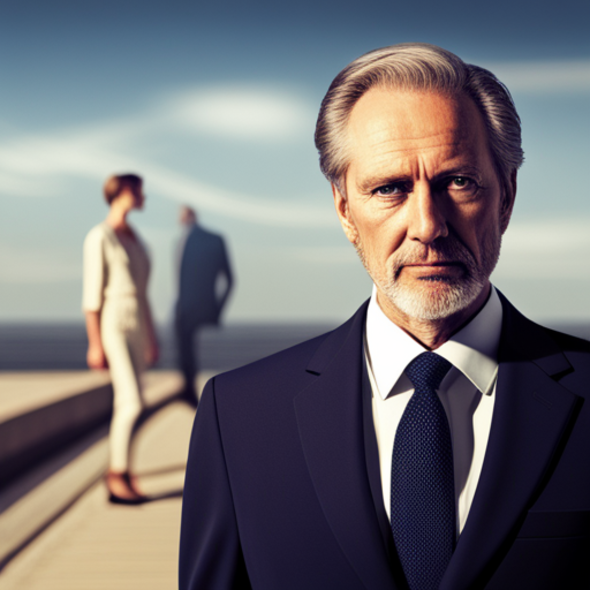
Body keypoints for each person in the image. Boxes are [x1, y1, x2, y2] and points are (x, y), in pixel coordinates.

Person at [179, 44, 590, 590]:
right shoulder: (239, 418)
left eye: (458, 182)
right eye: (389, 188)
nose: (427, 224)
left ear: (507, 196)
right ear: (345, 209)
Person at [83, 173, 159, 504]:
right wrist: (95, 343)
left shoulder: (135, 238)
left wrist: (151, 336)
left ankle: (126, 471)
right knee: (131, 401)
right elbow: (91, 297)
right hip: (113, 320)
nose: (143, 197)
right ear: (124, 192)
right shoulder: (99, 237)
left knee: (130, 402)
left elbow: (144, 294)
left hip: (136, 324)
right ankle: (115, 474)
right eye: (139, 191)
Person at [175, 205, 233, 407]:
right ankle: (188, 391)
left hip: (199, 310)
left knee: (202, 357)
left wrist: (217, 310)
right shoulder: (181, 241)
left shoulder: (212, 240)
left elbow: (230, 279)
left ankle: (198, 396)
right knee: (184, 354)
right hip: (185, 308)